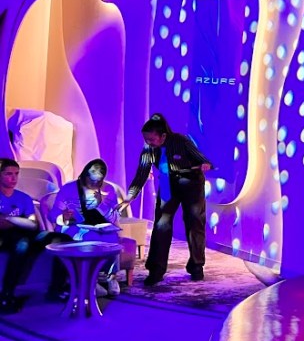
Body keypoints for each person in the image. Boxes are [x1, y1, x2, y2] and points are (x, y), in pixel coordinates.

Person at [122, 114, 211, 286]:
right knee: (161, 225)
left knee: (194, 222)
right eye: (146, 139)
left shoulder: (180, 141)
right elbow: (141, 174)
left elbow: (200, 158)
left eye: (152, 139)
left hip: (191, 182)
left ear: (163, 136)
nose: (149, 142)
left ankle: (196, 266)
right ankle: (156, 269)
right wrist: (131, 195)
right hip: (168, 183)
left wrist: (205, 164)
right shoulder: (148, 150)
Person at [0, 159, 69, 312]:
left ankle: (57, 288)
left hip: (27, 234)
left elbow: (32, 224)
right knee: (22, 244)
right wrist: (18, 222)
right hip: (5, 237)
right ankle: (7, 294)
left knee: (62, 239)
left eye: (16, 174)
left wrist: (10, 220)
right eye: (8, 174)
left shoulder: (23, 198)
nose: (13, 178)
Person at [50, 159, 124, 296]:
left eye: (98, 181)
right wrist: (64, 216)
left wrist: (101, 205)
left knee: (112, 237)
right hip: (74, 226)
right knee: (88, 236)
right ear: (84, 175)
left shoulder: (108, 190)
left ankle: (111, 277)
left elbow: (114, 218)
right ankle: (91, 281)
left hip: (99, 225)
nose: (94, 184)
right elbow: (53, 215)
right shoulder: (68, 189)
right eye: (91, 180)